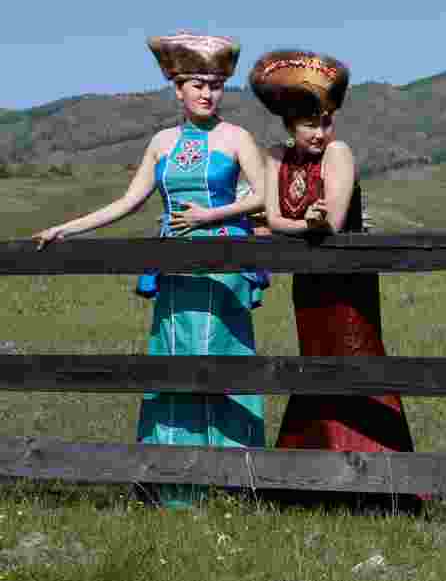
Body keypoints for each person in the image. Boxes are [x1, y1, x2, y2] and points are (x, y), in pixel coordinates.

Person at [33, 31, 269, 507]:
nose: (207, 93)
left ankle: (235, 485)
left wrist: (210, 215)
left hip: (224, 264)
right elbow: (127, 201)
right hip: (174, 268)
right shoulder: (161, 142)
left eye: (215, 84)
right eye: (197, 84)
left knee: (222, 361)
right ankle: (174, 485)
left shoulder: (237, 137)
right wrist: (68, 228)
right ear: (177, 89)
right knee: (174, 361)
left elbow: (264, 194)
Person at [250, 50, 421, 513]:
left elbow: (333, 218)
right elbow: (269, 215)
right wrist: (297, 223)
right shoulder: (273, 158)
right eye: (310, 124)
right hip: (309, 287)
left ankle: (379, 485)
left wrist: (297, 222)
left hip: (348, 284)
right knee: (316, 368)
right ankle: (312, 481)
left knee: (358, 365)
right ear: (289, 124)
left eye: (326, 123)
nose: (321, 134)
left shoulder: (340, 153)